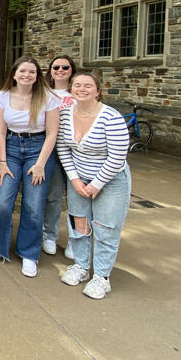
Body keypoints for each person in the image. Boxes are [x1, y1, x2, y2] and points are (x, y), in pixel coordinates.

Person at [0, 56, 60, 278]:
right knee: (2, 204)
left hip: (38, 150)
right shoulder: (3, 97)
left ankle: (29, 253)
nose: (27, 75)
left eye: (32, 72)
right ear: (14, 74)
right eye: (23, 71)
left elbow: (52, 132)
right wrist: (3, 162)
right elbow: (0, 131)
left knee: (33, 206)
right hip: (11, 150)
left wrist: (40, 165)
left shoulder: (47, 98)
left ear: (37, 76)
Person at [57, 72, 131, 299]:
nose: (82, 89)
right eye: (77, 85)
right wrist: (75, 180)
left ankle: (101, 277)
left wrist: (96, 184)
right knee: (79, 224)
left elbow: (118, 156)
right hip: (79, 179)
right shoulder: (66, 115)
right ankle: (81, 266)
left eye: (88, 86)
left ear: (97, 91)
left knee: (105, 228)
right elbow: (63, 148)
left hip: (110, 181)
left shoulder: (111, 117)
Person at [42, 55, 78, 259]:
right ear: (51, 70)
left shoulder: (78, 92)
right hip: (52, 150)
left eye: (65, 67)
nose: (60, 70)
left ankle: (75, 239)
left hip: (75, 150)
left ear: (72, 69)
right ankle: (49, 235)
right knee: (53, 196)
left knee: (75, 198)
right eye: (56, 67)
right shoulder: (45, 92)